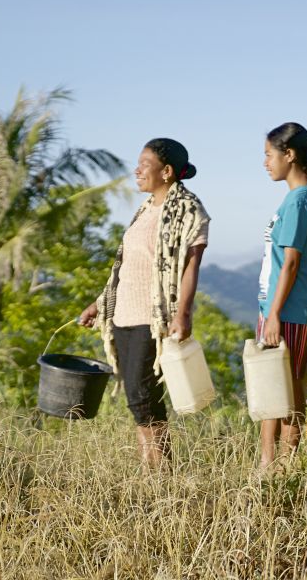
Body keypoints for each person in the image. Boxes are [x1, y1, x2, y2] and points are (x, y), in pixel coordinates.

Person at [79, 138, 209, 469]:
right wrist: (99, 304)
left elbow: (191, 266)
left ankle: (162, 470)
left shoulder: (188, 210)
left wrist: (183, 313)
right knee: (136, 398)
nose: (136, 170)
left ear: (166, 172)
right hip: (122, 313)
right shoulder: (145, 208)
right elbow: (125, 264)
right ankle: (151, 468)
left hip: (152, 317)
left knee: (144, 395)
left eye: (144, 164)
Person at [256, 122, 307, 468]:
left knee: (285, 393)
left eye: (270, 155)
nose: (266, 162)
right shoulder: (294, 198)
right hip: (277, 309)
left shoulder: (301, 201)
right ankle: (268, 465)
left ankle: (279, 467)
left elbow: (291, 263)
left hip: (288, 311)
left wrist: (274, 313)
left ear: (290, 155)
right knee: (271, 390)